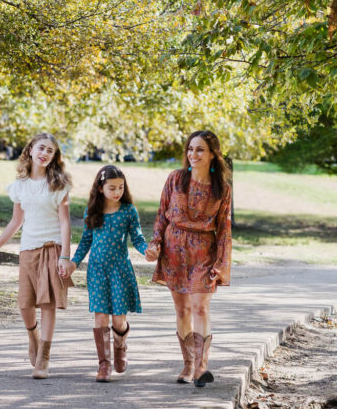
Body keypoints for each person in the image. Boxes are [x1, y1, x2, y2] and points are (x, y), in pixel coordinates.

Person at [0, 132, 73, 379]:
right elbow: (16, 220)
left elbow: (65, 223)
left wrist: (66, 255)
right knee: (25, 304)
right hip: (28, 250)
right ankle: (33, 334)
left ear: (53, 158)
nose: (44, 154)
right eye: (41, 148)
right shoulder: (19, 186)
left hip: (52, 248)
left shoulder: (58, 185)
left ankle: (44, 355)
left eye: (50, 151)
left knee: (47, 304)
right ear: (31, 149)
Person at [145, 130, 232, 387]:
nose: (193, 154)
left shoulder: (222, 189)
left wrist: (222, 263)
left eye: (200, 150)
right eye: (190, 149)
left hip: (204, 251)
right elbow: (161, 215)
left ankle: (202, 367)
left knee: (200, 307)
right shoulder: (175, 179)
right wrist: (155, 243)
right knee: (182, 309)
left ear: (213, 154)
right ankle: (188, 364)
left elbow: (225, 229)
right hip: (174, 251)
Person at [69, 165, 149, 382]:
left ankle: (120, 347)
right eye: (112, 188)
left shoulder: (128, 211)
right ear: (100, 188)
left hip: (120, 270)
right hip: (97, 270)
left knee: (118, 319)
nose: (117, 192)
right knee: (100, 315)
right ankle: (104, 365)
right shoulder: (92, 211)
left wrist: (147, 251)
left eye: (121, 187)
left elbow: (138, 238)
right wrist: (74, 263)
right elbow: (86, 241)